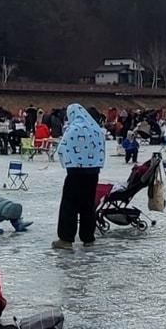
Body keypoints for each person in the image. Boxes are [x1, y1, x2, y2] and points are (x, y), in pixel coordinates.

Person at [53, 103, 105, 249]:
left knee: (69, 205)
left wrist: (67, 162)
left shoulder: (73, 129)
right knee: (88, 205)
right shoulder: (96, 129)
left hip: (75, 172)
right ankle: (88, 237)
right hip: (93, 172)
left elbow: (63, 147)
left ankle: (66, 239)